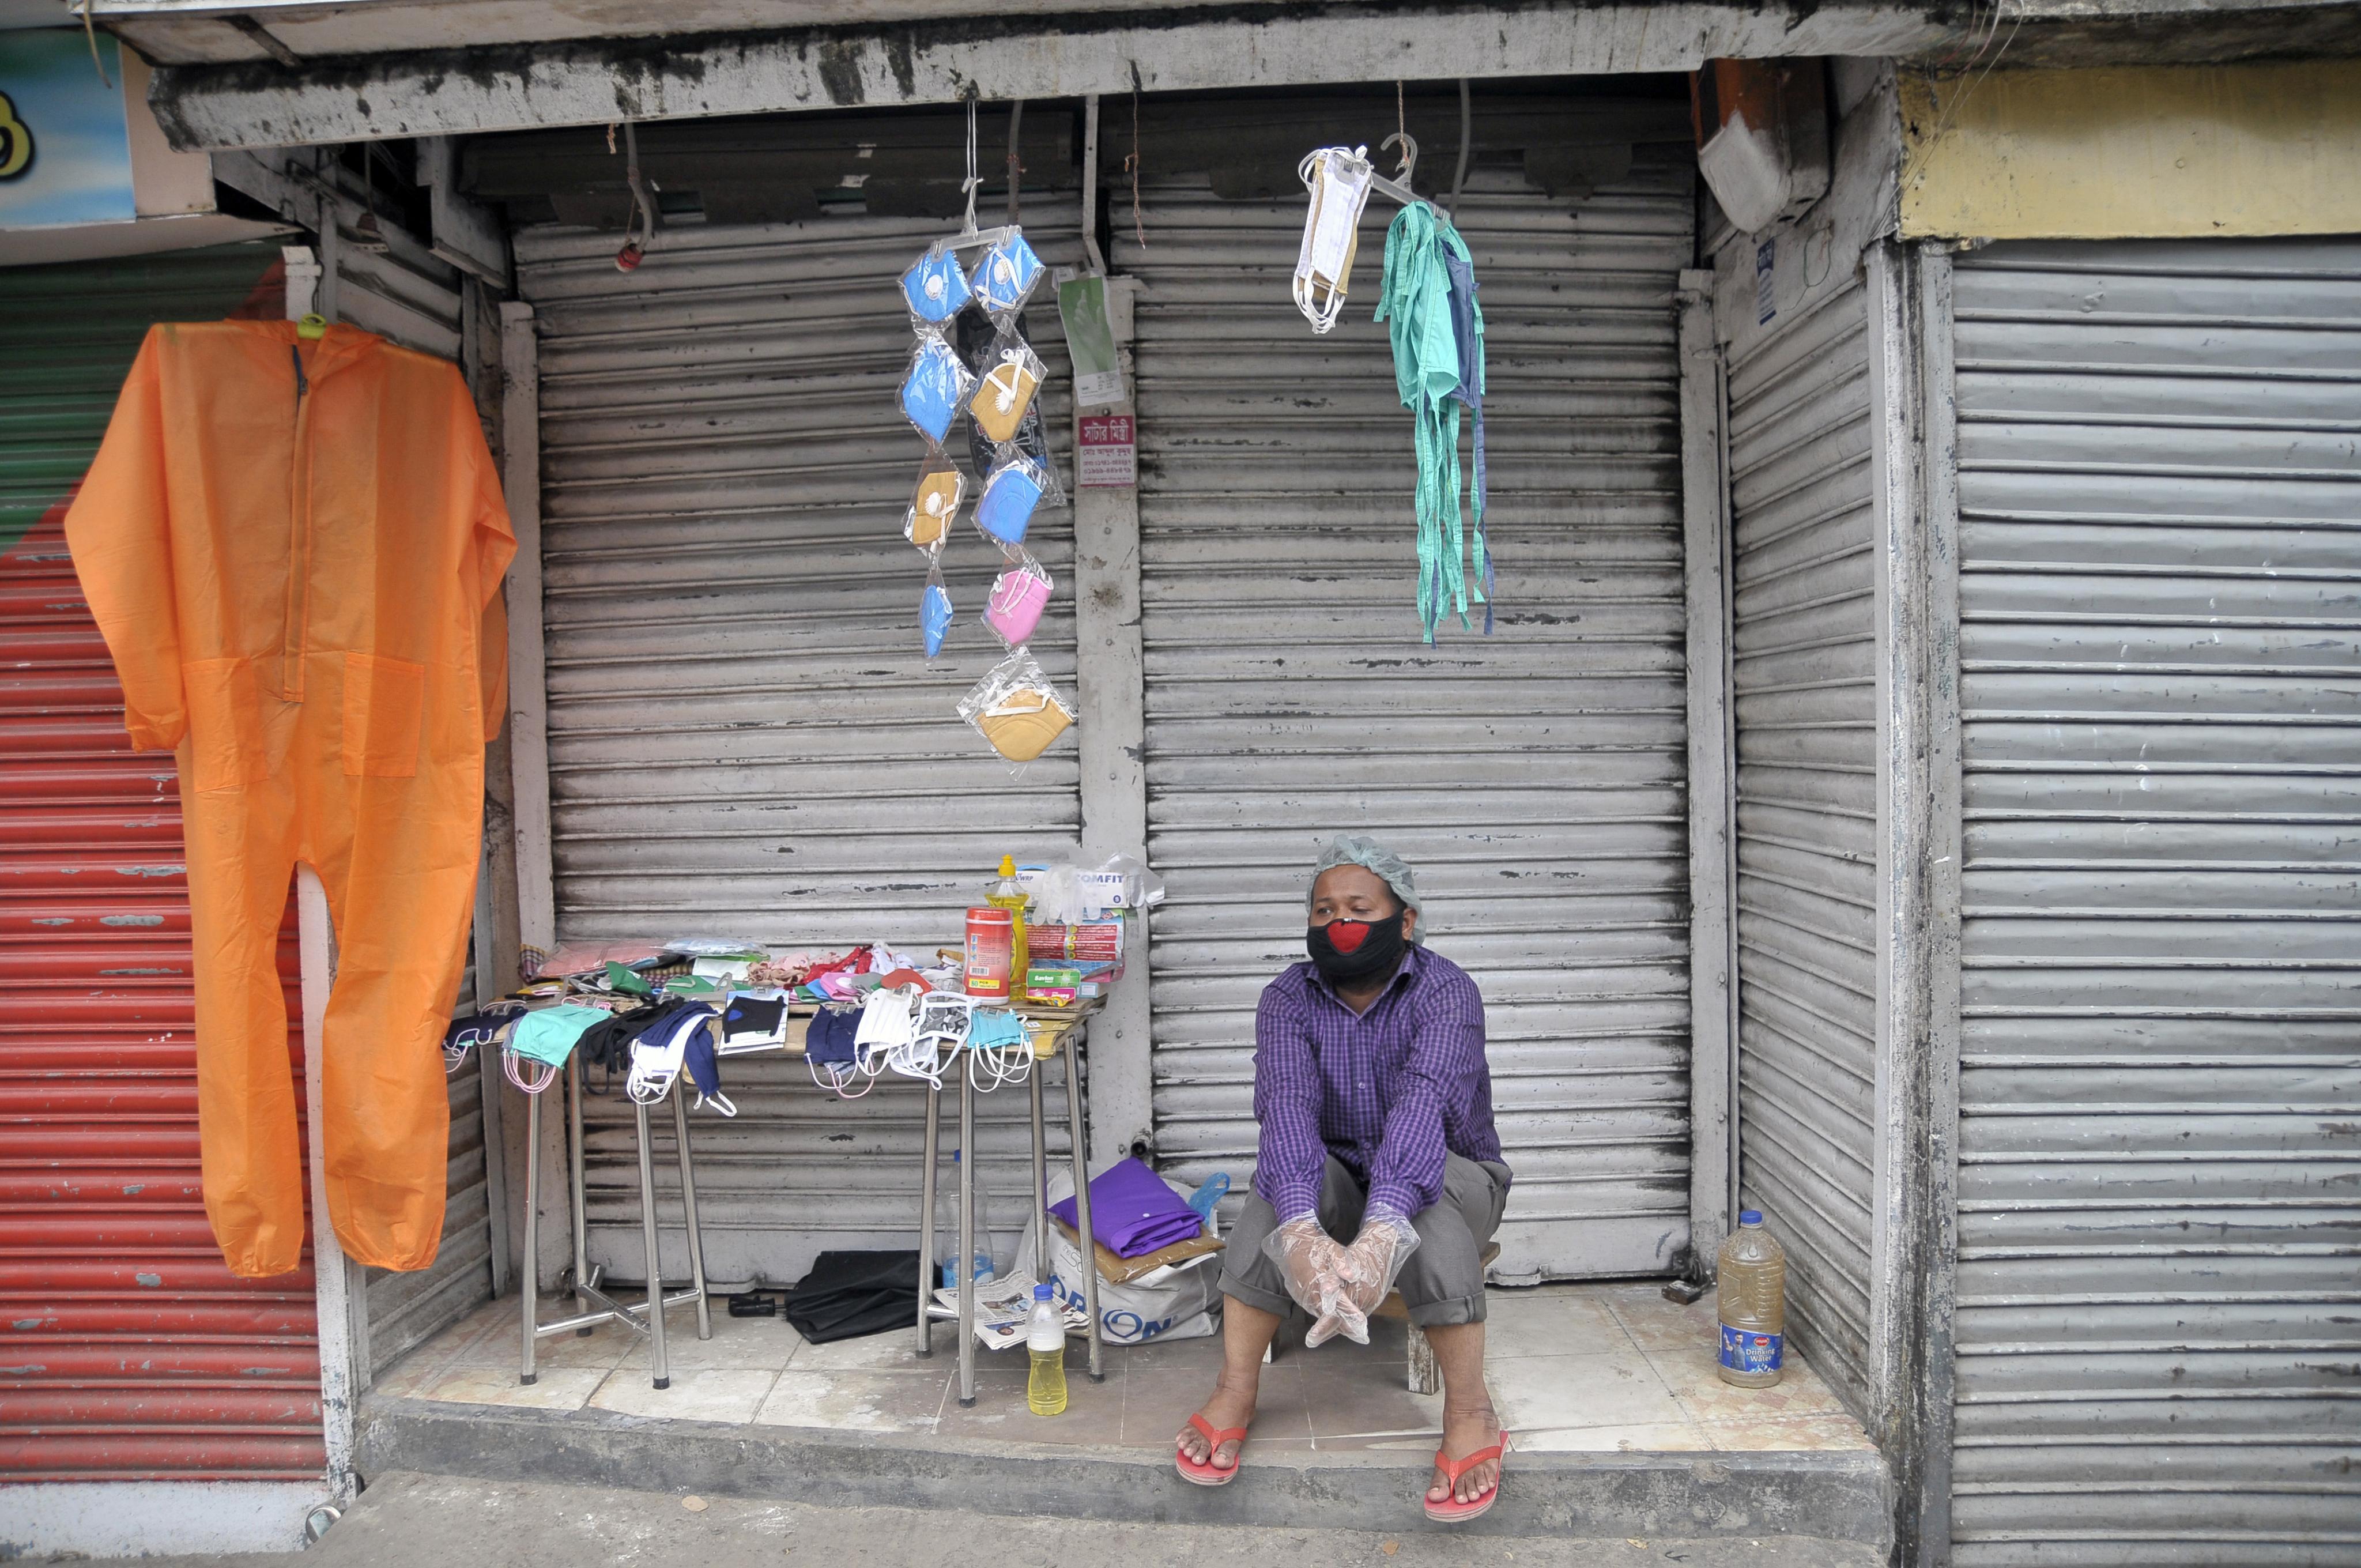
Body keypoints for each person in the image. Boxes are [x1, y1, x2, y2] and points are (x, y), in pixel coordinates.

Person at [1174, 836, 1513, 1522]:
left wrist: (1384, 1221)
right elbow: (1287, 1106)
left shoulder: (1448, 991)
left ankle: (1471, 1409)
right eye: (1323, 910)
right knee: (1280, 1180)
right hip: (1335, 1177)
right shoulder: (1286, 997)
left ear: (1405, 919)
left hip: (1456, 1176)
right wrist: (1300, 1225)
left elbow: (1425, 1106)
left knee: (1426, 1202)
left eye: (1359, 907)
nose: (1339, 923)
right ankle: (1236, 1386)